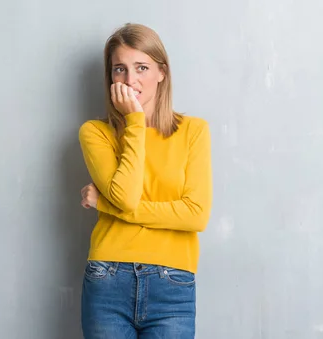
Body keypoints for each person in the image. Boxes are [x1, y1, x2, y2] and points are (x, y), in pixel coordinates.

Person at [78, 23, 213, 338]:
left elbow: (196, 214)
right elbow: (125, 197)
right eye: (120, 69)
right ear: (110, 77)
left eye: (142, 67)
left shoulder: (193, 131)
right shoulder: (95, 132)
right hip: (108, 277)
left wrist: (106, 206)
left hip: (173, 284)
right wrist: (135, 121)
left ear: (161, 72)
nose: (130, 79)